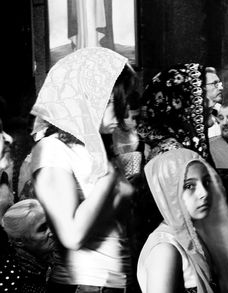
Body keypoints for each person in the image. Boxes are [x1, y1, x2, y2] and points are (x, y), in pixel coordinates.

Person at [29, 47, 138, 292]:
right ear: (89, 99)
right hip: (86, 286)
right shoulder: (52, 149)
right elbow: (72, 236)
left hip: (116, 283)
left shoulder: (98, 150)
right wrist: (108, 178)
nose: (124, 114)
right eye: (115, 101)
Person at [137, 148, 228, 293]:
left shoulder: (197, 234)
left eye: (206, 182)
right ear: (166, 192)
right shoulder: (165, 250)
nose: (203, 193)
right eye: (188, 186)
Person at [137, 63, 223, 162]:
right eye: (215, 84)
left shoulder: (185, 138)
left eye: (220, 83)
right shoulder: (171, 151)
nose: (221, 88)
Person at [1, 199, 54, 293]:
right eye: (42, 228)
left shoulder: (45, 259)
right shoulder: (13, 278)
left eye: (52, 223)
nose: (52, 232)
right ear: (19, 241)